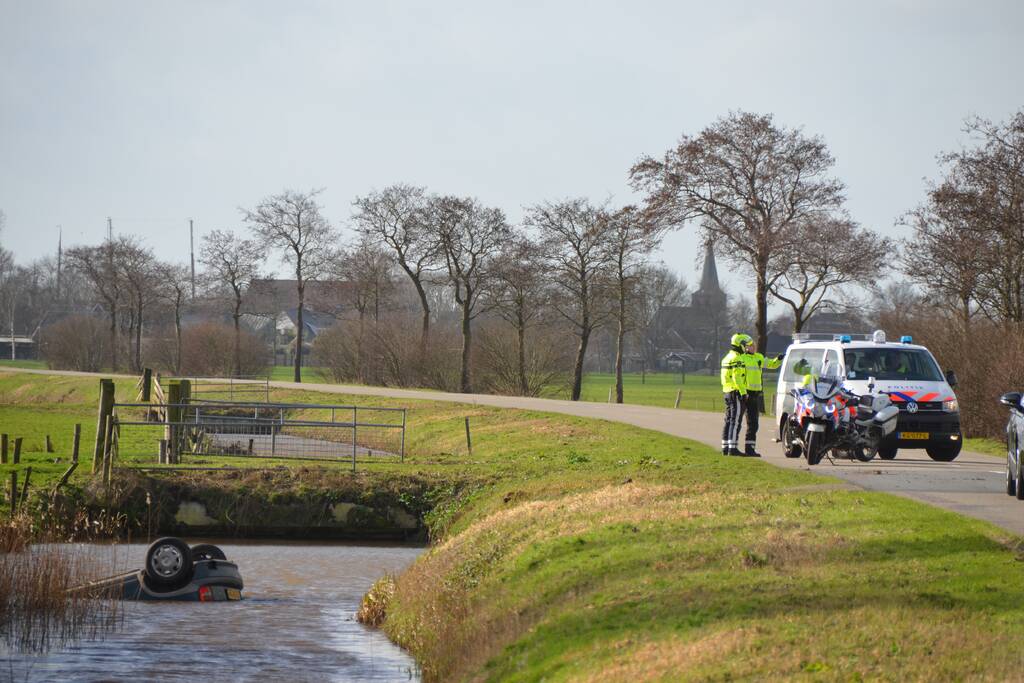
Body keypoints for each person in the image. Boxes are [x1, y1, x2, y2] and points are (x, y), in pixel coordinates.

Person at [740, 339, 783, 457]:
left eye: (754, 345)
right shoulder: (742, 358)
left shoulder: (759, 357)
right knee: (738, 422)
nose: (753, 347)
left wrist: (778, 360)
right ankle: (731, 447)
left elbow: (771, 364)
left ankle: (750, 449)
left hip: (755, 394)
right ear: (745, 348)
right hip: (744, 393)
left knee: (753, 423)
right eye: (750, 346)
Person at [720, 333, 749, 456]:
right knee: (735, 421)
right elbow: (737, 377)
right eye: (745, 345)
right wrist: (743, 392)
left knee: (728, 420)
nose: (746, 348)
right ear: (740, 345)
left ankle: (725, 447)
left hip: (727, 391)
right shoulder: (737, 358)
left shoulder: (727, 357)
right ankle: (733, 448)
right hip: (735, 392)